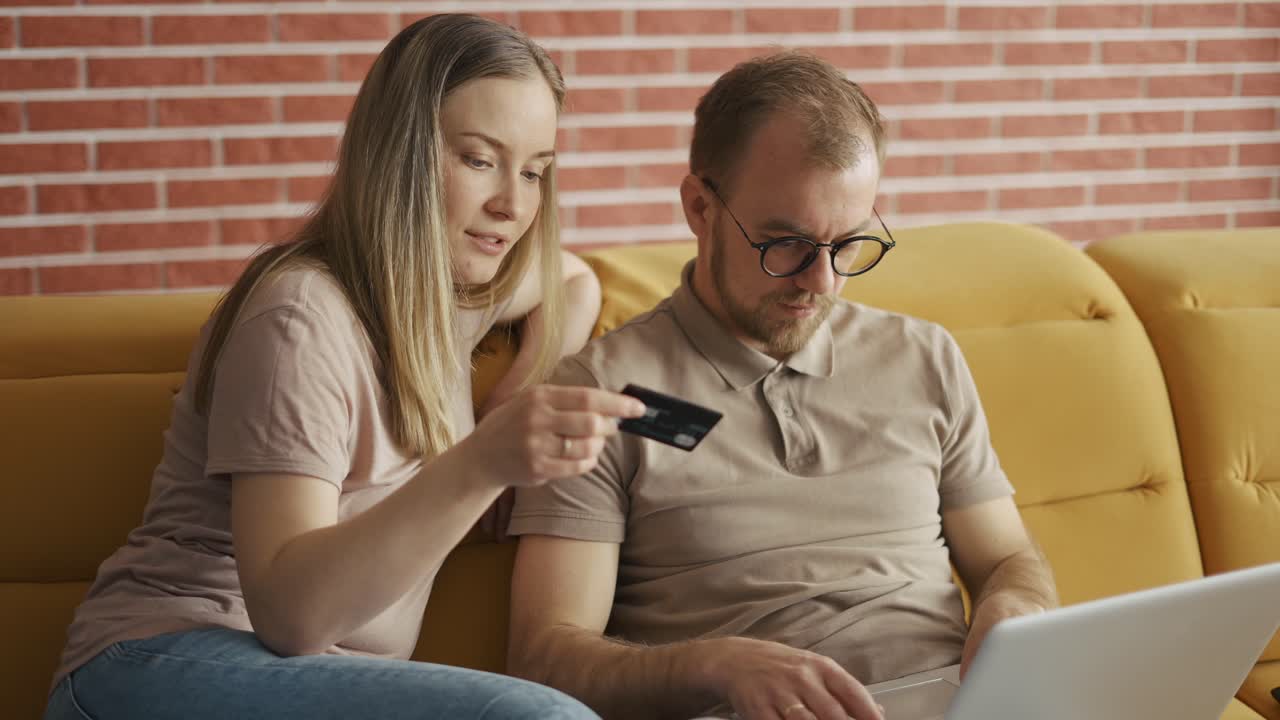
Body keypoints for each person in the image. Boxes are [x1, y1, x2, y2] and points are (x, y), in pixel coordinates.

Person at [43, 14, 645, 720]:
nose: (513, 205)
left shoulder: (440, 307)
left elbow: (572, 280)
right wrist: (486, 459)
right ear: (401, 154)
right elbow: (290, 615)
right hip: (161, 665)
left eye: (536, 171)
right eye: (480, 160)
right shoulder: (300, 316)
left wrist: (516, 390)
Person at [504, 51, 1059, 720]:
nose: (821, 282)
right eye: (786, 244)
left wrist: (1018, 603)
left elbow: (1005, 557)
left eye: (849, 244)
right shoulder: (604, 394)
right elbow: (543, 658)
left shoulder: (923, 357)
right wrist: (713, 663)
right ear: (700, 208)